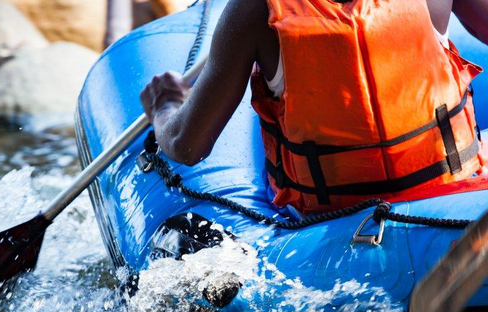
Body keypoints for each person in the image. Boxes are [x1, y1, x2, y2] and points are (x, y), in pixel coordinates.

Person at [140, 0, 488, 214]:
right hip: (454, 194)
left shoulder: (253, 11)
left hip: (330, 220)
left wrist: (165, 105)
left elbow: (188, 144)